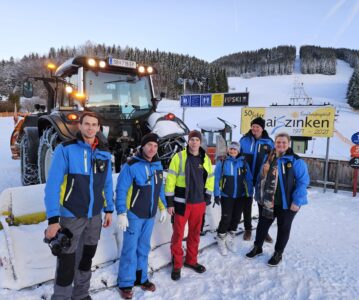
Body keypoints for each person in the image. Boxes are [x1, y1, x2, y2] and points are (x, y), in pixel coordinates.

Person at [44, 111, 114, 300]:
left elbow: (107, 183)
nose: (90, 128)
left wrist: (109, 209)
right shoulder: (66, 149)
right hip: (71, 214)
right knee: (67, 260)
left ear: (99, 128)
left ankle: (81, 294)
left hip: (95, 216)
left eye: (94, 124)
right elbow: (52, 185)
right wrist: (53, 219)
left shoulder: (104, 154)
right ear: (80, 126)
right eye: (87, 124)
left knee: (86, 258)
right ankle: (61, 297)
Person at [116, 133, 167, 300]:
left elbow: (159, 190)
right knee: (130, 249)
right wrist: (122, 212)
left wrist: (163, 207)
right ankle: (125, 283)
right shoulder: (131, 165)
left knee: (144, 247)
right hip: (134, 215)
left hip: (149, 215)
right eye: (149, 145)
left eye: (155, 146)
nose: (152, 149)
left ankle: (141, 278)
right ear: (142, 146)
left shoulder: (158, 166)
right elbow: (121, 190)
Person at [245, 133, 309, 266]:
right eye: (278, 142)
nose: (281, 145)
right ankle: (258, 247)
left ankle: (278, 253)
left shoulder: (295, 161)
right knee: (263, 225)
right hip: (268, 201)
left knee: (283, 228)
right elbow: (260, 177)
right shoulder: (268, 158)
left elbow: (303, 182)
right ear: (274, 143)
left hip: (287, 203)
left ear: (289, 143)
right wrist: (258, 195)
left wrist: (297, 201)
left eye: (284, 142)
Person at [165, 130, 214, 281]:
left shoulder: (205, 158)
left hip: (198, 203)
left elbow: (210, 178)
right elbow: (170, 180)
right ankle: (177, 264)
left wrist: (207, 197)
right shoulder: (178, 157)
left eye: (197, 140)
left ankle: (191, 260)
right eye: (192, 139)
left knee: (194, 234)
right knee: (178, 235)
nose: (194, 142)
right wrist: (170, 202)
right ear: (188, 141)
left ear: (200, 142)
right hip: (181, 204)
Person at [213, 141, 253, 255]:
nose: (233, 151)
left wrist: (249, 193)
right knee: (226, 218)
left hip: (240, 195)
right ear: (228, 150)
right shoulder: (223, 161)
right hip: (227, 195)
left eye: (235, 149)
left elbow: (249, 179)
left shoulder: (244, 162)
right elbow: (216, 178)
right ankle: (221, 238)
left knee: (236, 218)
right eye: (231, 149)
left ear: (238, 151)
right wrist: (216, 194)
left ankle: (230, 238)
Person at [240, 116, 274, 242]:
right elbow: (237, 155)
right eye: (253, 126)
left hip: (262, 178)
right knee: (247, 203)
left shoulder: (269, 142)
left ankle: (263, 231)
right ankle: (248, 229)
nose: (254, 129)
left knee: (262, 205)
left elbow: (272, 160)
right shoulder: (244, 140)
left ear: (262, 128)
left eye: (257, 127)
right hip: (246, 177)